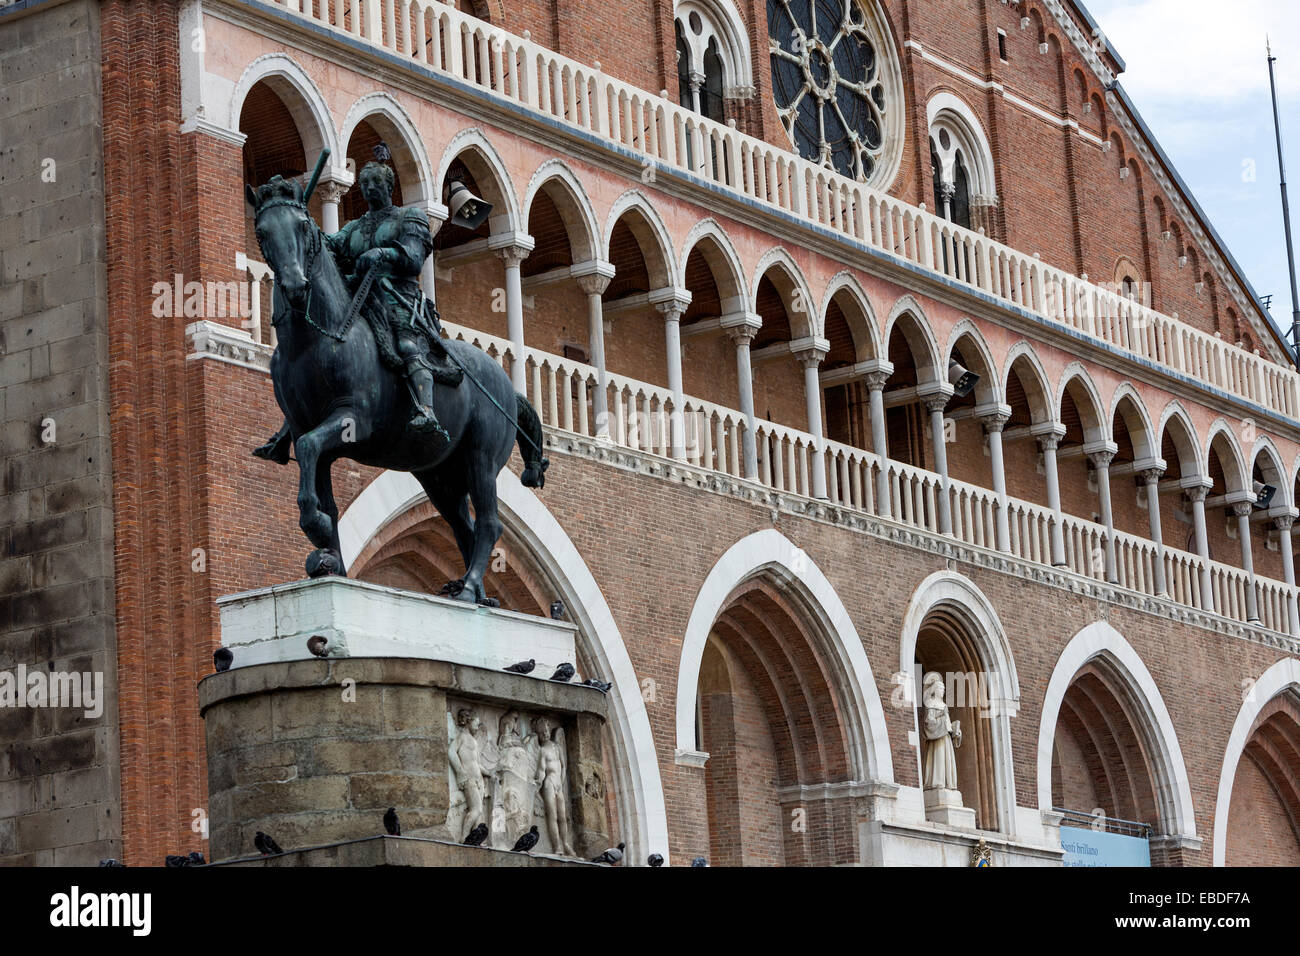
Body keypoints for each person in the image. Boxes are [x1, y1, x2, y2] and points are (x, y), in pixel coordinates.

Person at [253, 156, 461, 462]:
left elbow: (414, 258)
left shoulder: (409, 219)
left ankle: (425, 410)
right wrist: (303, 226)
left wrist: (384, 253)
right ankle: (291, 426)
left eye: (375, 182)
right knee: (325, 354)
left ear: (388, 186)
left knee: (405, 345)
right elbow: (330, 247)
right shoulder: (356, 227)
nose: (369, 188)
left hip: (397, 297)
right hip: (358, 297)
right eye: (364, 184)